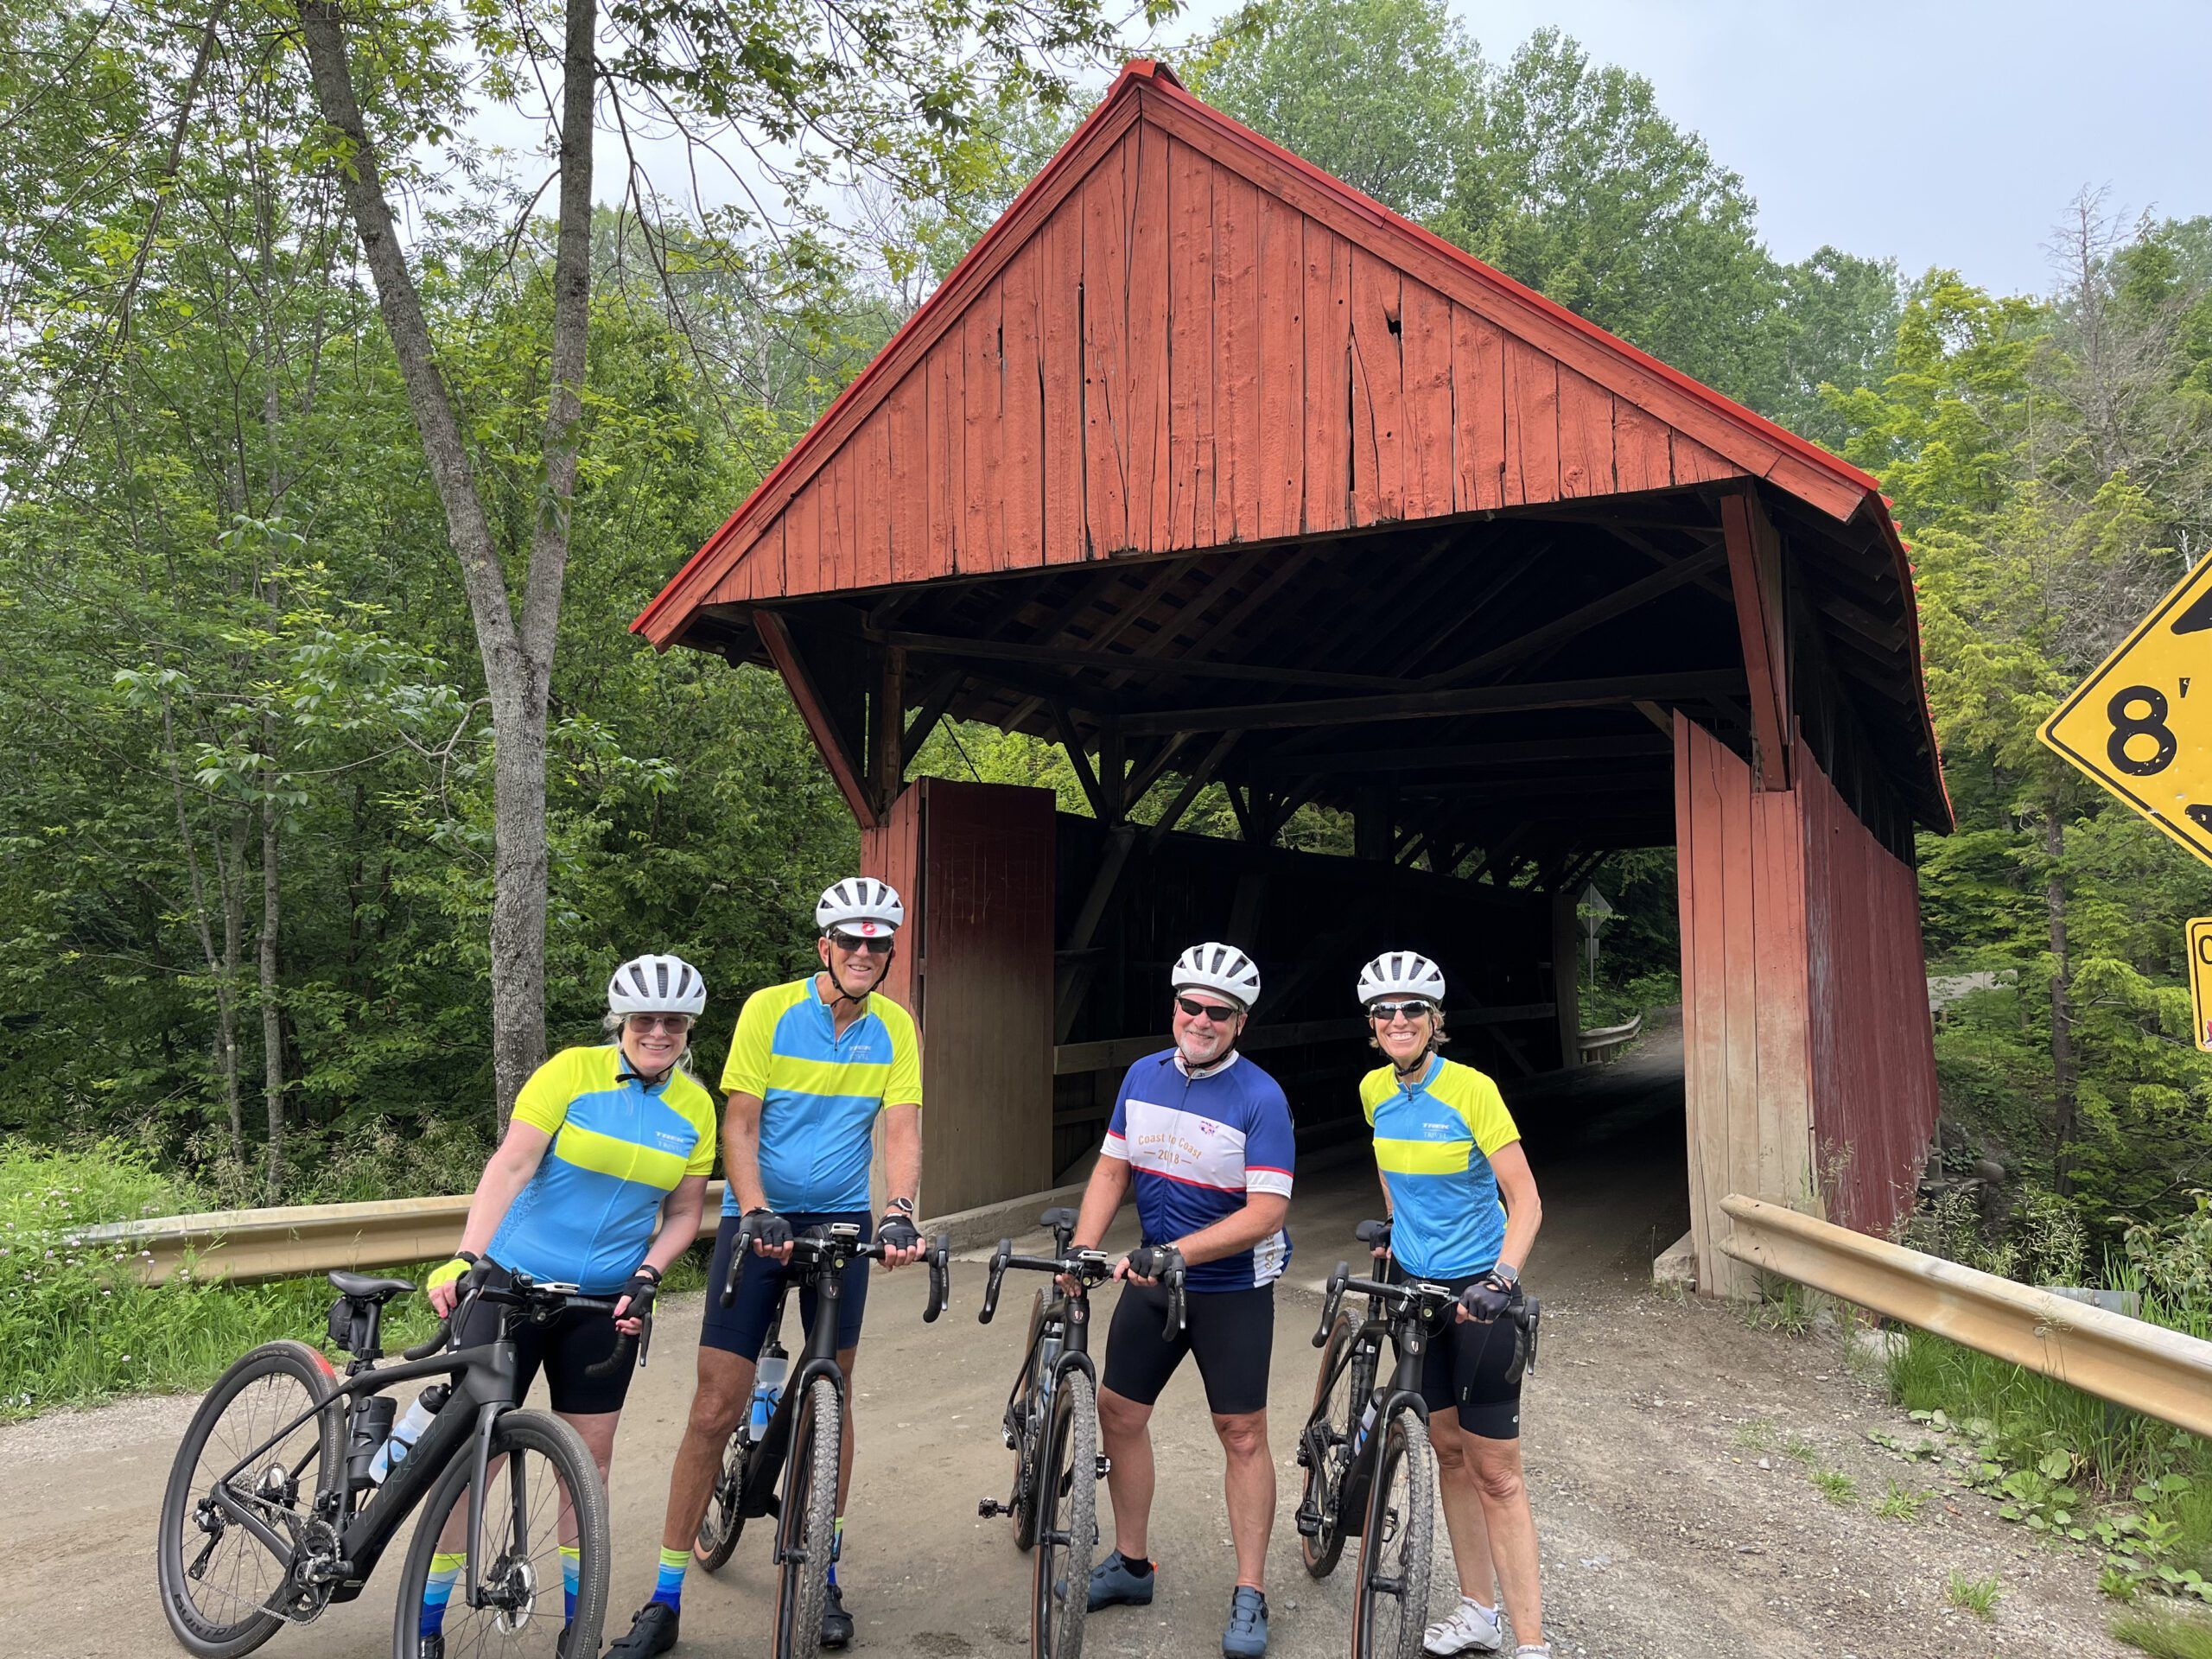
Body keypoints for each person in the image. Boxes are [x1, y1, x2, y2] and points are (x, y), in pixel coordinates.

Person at [607, 878, 925, 1658]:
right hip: (759, 1217)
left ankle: (823, 1574)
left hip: (842, 1223)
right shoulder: (769, 1010)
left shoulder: (896, 1027)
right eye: (850, 941)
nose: (862, 953)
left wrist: (901, 1210)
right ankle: (664, 1596)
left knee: (833, 1401)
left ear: (888, 954)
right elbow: (738, 1126)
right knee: (715, 1406)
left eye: (877, 944)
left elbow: (902, 1133)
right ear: (825, 945)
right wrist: (753, 1211)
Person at [417, 954, 717, 1659]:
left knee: (588, 1464)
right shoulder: (570, 1073)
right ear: (623, 1022)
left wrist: (649, 1271)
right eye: (645, 1020)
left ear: (686, 1030)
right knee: (477, 1460)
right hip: (512, 1285)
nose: (658, 1033)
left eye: (672, 1022)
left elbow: (683, 1214)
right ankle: (427, 1622)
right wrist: (467, 1257)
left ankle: (576, 1633)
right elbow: (512, 1165)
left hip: (602, 1303)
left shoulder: (694, 1106)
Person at [1066, 942, 1294, 1659]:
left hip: (1230, 1289)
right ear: (1175, 1009)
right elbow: (1111, 1170)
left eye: (1218, 1012)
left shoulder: (1261, 1096)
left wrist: (1180, 1254)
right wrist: (1083, 1246)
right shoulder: (1142, 1076)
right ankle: (1132, 1564)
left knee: (1243, 1435)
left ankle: (1251, 1591)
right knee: (1120, 1412)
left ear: (1239, 1023)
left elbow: (1266, 1214)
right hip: (1151, 1281)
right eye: (1190, 1006)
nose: (1201, 1020)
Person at [1353, 952, 1548, 1659]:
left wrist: (1501, 1278)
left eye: (1412, 1010)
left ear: (1436, 1022)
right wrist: (1394, 1230)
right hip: (1414, 1289)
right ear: (1372, 1026)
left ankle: (1531, 1644)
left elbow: (1525, 1200)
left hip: (1480, 1294)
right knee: (1449, 1453)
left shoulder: (1471, 1090)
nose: (1397, 1021)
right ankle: (1477, 1612)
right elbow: (1386, 1164)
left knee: (1497, 1471)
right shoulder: (1375, 1089)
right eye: (1384, 1012)